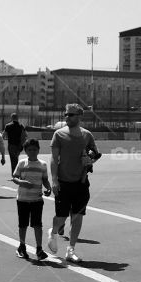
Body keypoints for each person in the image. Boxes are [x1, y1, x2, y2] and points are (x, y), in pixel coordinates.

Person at [49, 104, 101, 262]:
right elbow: (53, 159)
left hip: (81, 182)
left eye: (70, 114)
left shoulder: (87, 135)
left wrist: (90, 159)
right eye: (65, 114)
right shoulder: (59, 134)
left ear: (79, 116)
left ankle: (70, 250)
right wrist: (54, 180)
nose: (67, 117)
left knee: (77, 216)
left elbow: (96, 154)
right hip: (63, 182)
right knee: (61, 216)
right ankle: (53, 232)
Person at [12, 137, 52, 259]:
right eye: (29, 150)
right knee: (23, 224)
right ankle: (22, 246)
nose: (32, 152)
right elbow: (15, 177)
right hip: (23, 199)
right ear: (25, 151)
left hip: (37, 200)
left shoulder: (43, 165)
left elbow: (45, 179)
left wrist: (48, 188)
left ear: (38, 150)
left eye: (34, 149)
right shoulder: (22, 163)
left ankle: (39, 249)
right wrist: (21, 182)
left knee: (37, 224)